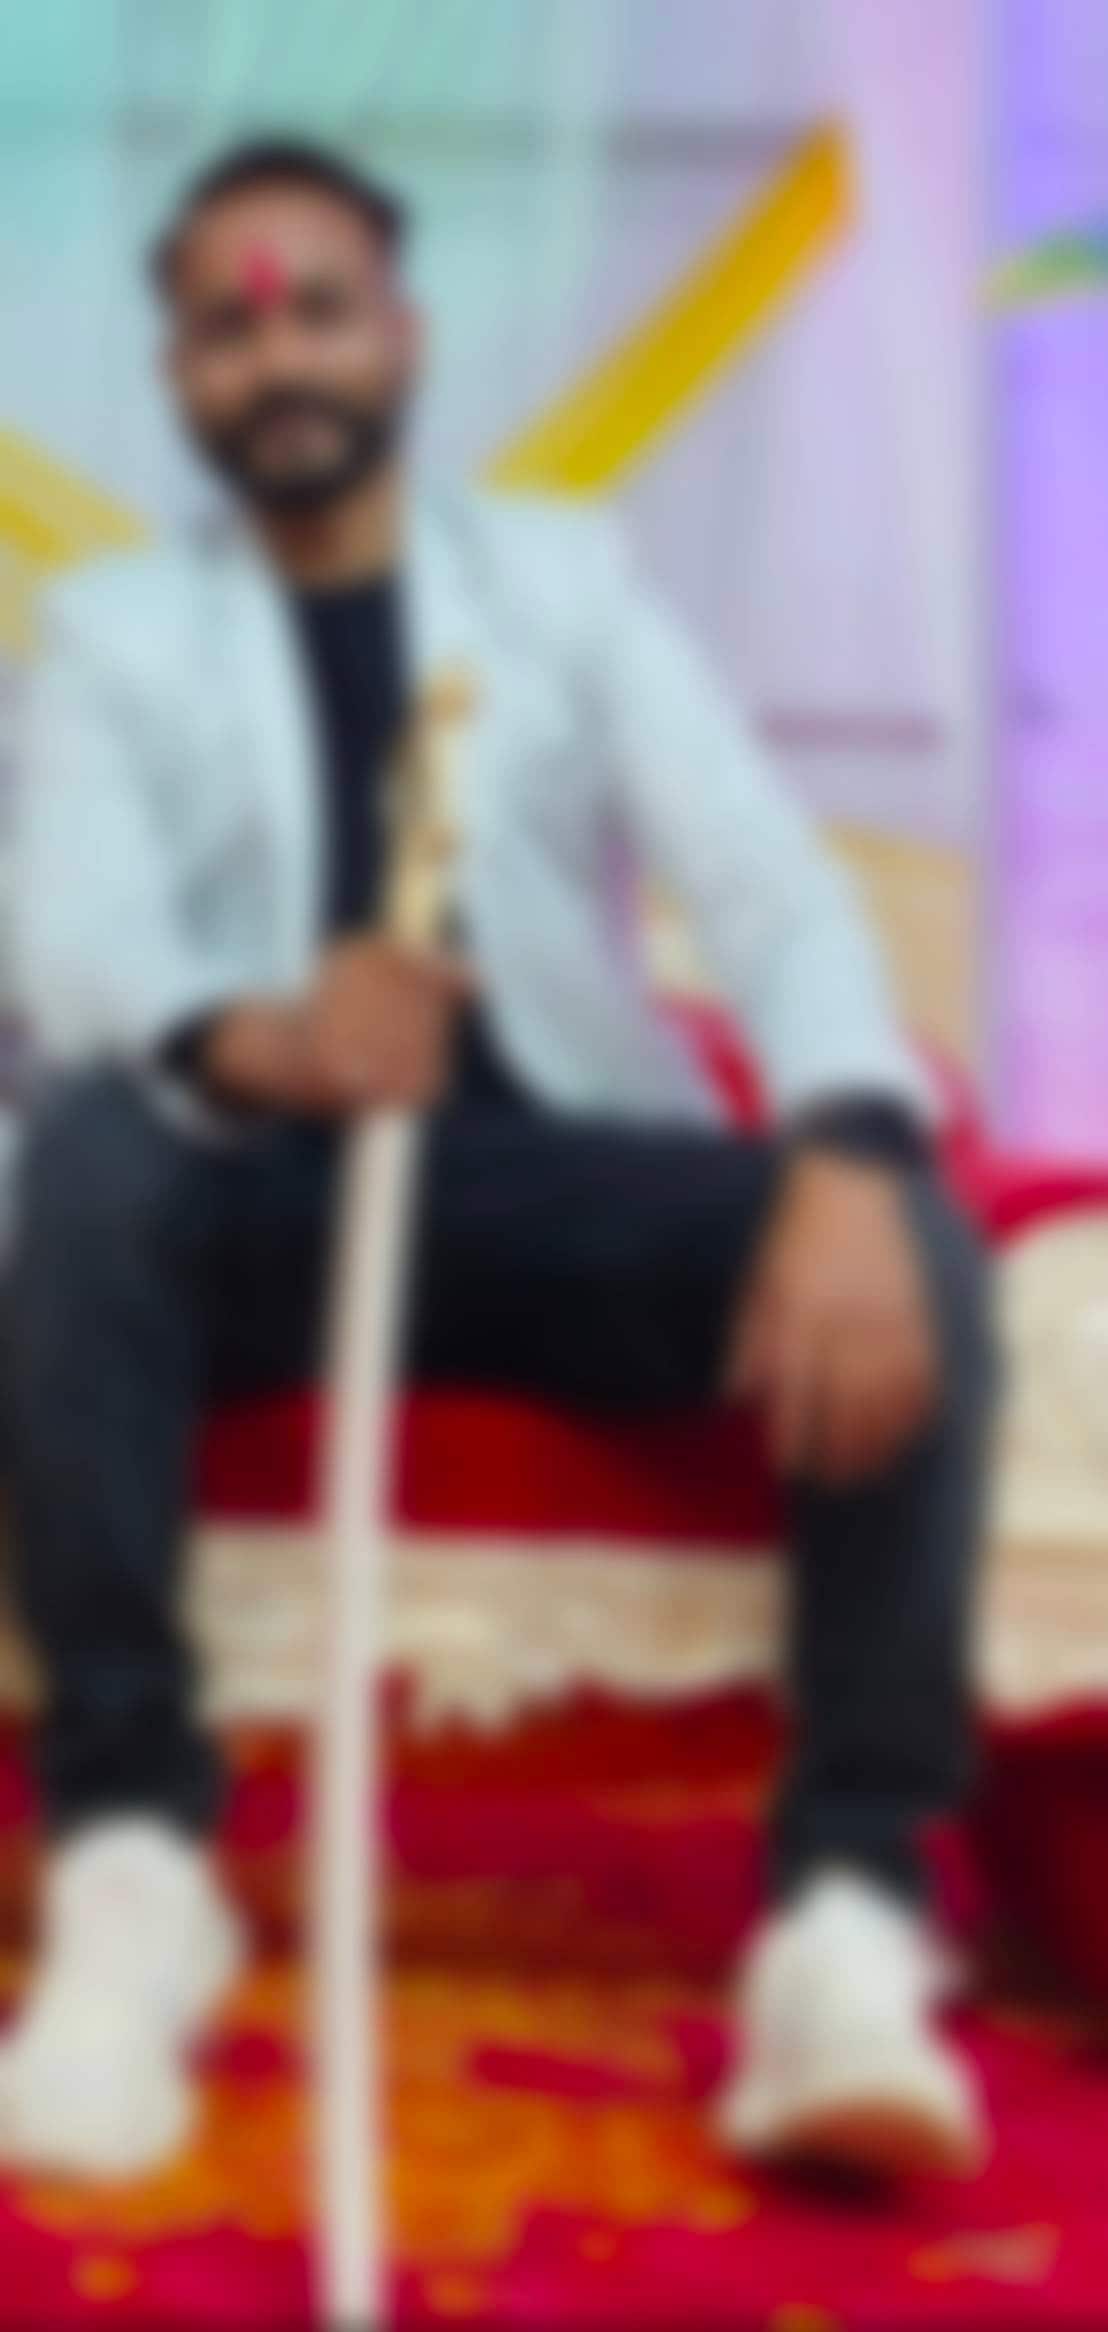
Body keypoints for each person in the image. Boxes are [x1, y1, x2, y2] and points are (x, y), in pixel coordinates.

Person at [4, 138, 993, 2181]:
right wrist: (271, 1037)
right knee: (85, 1159)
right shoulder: (110, 630)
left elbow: (761, 879)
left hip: (551, 1186)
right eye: (227, 328)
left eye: (321, 309)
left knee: (906, 1227)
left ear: (404, 333)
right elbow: (70, 932)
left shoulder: (564, 579)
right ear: (178, 372)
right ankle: (130, 1866)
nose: (280, 356)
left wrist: (839, 1142)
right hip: (259, 1197)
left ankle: (844, 1910)